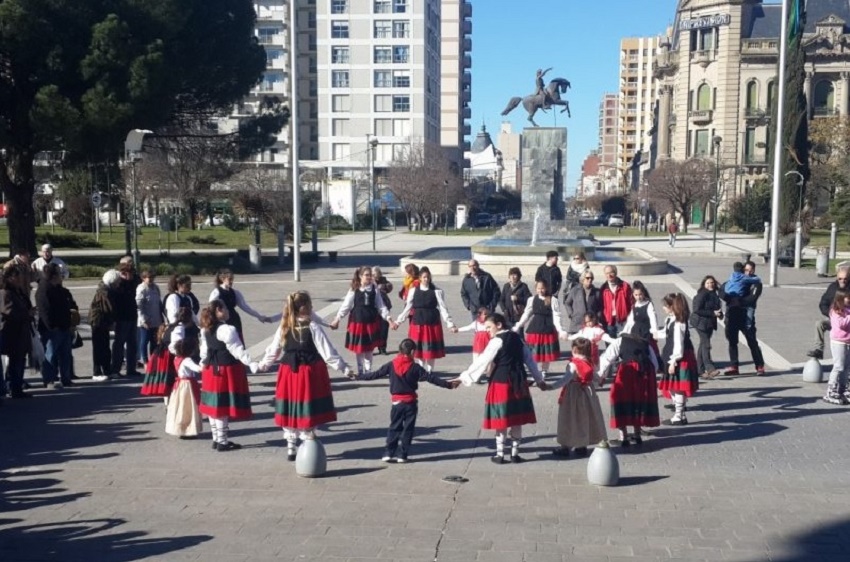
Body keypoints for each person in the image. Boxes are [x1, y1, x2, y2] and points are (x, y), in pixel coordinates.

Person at [259, 291, 351, 461]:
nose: (312, 307)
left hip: (288, 372)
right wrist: (344, 368)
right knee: (306, 407)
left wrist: (263, 365)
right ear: (303, 308)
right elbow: (327, 352)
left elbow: (273, 351)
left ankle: (291, 447)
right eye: (309, 304)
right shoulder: (312, 326)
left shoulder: (284, 326)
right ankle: (307, 442)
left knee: (290, 406)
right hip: (307, 373)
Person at [455, 313, 548, 463]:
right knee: (516, 419)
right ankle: (515, 454)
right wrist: (539, 379)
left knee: (502, 420)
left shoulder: (497, 340)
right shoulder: (517, 338)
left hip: (501, 382)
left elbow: (482, 360)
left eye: (489, 327)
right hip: (519, 381)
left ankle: (500, 454)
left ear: (499, 325)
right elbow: (529, 360)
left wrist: (463, 377)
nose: (487, 330)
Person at [350, 338, 460, 463]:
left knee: (394, 428)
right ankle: (402, 455)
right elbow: (431, 378)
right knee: (408, 429)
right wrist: (448, 385)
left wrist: (358, 376)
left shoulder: (391, 364)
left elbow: (374, 374)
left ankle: (388, 452)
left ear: (399, 350)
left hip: (397, 403)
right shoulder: (415, 367)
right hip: (410, 403)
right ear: (412, 351)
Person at [199, 300, 259, 452]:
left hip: (210, 370)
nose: (228, 310)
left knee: (214, 407)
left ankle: (216, 439)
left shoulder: (205, 329)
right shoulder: (227, 329)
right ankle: (222, 442)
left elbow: (204, 352)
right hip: (224, 371)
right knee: (221, 407)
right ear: (219, 310)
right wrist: (251, 363)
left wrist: (202, 364)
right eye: (225, 307)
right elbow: (237, 350)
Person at [330, 266, 397, 376]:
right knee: (360, 349)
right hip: (358, 321)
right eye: (367, 275)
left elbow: (381, 306)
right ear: (360, 276)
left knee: (369, 349)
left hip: (371, 321)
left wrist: (389, 320)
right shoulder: (354, 289)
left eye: (370, 275)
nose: (369, 277)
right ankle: (361, 371)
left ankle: (368, 371)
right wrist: (337, 319)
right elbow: (346, 306)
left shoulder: (374, 289)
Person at [546, 337, 607, 457]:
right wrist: (600, 380)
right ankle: (581, 445)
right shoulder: (589, 362)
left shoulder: (573, 364)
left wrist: (550, 386)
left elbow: (565, 380)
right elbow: (596, 377)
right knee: (583, 418)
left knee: (568, 419)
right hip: (587, 394)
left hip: (572, 394)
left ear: (574, 350)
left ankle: (565, 446)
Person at [598, 332, 660, 446]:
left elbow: (607, 358)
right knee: (638, 402)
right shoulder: (646, 343)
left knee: (619, 400)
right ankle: (637, 436)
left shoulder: (619, 341)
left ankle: (624, 438)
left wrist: (601, 376)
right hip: (644, 374)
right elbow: (655, 364)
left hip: (627, 372)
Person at [394, 266, 457, 373]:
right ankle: (421, 370)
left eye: (427, 277)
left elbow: (443, 308)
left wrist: (450, 324)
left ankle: (430, 371)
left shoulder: (437, 291)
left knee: (430, 350)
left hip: (432, 323)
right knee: (418, 349)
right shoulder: (413, 291)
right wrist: (398, 321)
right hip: (417, 323)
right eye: (424, 277)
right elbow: (408, 307)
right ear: (420, 278)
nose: (426, 279)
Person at [656, 293, 699, 425]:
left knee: (677, 387)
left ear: (671, 307)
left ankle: (679, 416)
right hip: (672, 355)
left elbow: (679, 344)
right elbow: (667, 333)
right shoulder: (671, 319)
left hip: (679, 357)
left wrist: (674, 361)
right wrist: (654, 333)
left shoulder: (679, 323)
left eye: (665, 306)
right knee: (673, 387)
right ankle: (680, 414)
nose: (663, 308)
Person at [512, 280, 568, 377]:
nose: (540, 290)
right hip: (535, 329)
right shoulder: (532, 299)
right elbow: (527, 314)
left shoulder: (553, 299)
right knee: (533, 354)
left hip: (548, 330)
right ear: (536, 289)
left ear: (546, 288)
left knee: (546, 354)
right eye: (538, 288)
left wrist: (560, 330)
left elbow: (556, 315)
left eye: (542, 288)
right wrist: (519, 325)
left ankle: (544, 371)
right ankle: (535, 370)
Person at [35, 263, 76, 389]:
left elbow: (67, 305)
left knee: (65, 355)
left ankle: (66, 378)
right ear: (53, 276)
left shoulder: (59, 289)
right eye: (59, 273)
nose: (61, 276)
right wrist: (52, 327)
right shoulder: (44, 290)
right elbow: (45, 311)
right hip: (52, 329)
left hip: (64, 326)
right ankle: (50, 379)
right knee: (50, 355)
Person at [720, 263, 766, 376]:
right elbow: (723, 290)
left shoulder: (755, 283)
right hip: (732, 315)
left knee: (752, 342)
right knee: (732, 342)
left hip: (745, 316)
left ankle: (759, 365)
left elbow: (752, 298)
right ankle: (734, 366)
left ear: (754, 270)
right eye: (746, 270)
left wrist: (736, 300)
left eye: (751, 270)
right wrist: (725, 295)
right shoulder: (735, 279)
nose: (748, 272)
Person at [208, 269, 273, 342]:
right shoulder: (216, 292)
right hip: (221, 320)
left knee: (238, 342)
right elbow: (211, 309)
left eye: (232, 279)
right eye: (230, 279)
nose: (232, 281)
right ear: (222, 279)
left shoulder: (235, 292)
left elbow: (245, 307)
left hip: (234, 320)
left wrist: (259, 316)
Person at [1, 266, 33, 399]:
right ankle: (13, 388)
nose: (20, 279)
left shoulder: (17, 292)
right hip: (12, 333)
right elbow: (10, 312)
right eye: (17, 276)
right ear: (10, 278)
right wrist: (27, 313)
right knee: (15, 362)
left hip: (21, 332)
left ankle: (17, 387)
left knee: (19, 361)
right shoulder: (5, 293)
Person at [808, 266, 850, 360]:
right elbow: (823, 303)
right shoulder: (832, 288)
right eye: (840, 278)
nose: (842, 281)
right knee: (819, 324)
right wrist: (831, 314)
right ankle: (819, 350)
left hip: (848, 320)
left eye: (845, 279)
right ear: (837, 278)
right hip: (834, 319)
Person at [165, 337, 203, 438]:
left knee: (180, 406)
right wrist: (204, 364)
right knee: (189, 407)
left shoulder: (177, 358)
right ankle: (189, 429)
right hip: (188, 385)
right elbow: (198, 369)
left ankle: (181, 428)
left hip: (179, 385)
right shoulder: (187, 360)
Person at [111, 262, 141, 377]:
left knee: (132, 344)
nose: (133, 275)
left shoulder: (132, 283)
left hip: (132, 316)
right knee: (119, 343)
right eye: (131, 273)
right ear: (124, 273)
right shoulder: (119, 285)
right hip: (122, 318)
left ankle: (131, 368)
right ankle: (115, 369)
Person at [90, 270, 120, 382]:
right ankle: (97, 372)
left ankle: (107, 370)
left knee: (105, 347)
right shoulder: (104, 292)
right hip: (98, 322)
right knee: (99, 347)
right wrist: (113, 321)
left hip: (104, 322)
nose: (119, 284)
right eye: (117, 282)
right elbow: (109, 308)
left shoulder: (108, 290)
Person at [691, 275, 723, 380]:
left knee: (703, 345)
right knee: (706, 344)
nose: (710, 284)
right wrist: (713, 313)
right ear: (704, 284)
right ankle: (710, 369)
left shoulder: (714, 294)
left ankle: (699, 370)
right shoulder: (702, 294)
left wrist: (719, 314)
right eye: (708, 283)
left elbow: (717, 308)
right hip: (700, 323)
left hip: (709, 323)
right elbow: (696, 309)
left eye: (712, 282)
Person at [824, 291, 850, 405]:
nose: (849, 300)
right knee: (838, 366)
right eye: (847, 298)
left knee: (846, 368)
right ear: (840, 299)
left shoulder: (848, 310)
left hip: (848, 341)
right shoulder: (835, 311)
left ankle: (843, 389)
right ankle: (831, 390)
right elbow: (842, 324)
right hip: (838, 342)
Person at [136, 268, 163, 367]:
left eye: (152, 277)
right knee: (144, 341)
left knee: (154, 341)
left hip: (156, 319)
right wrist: (144, 319)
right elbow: (139, 306)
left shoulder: (155, 288)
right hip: (146, 321)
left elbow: (159, 303)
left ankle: (153, 359)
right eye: (148, 277)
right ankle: (145, 361)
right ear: (143, 278)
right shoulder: (141, 289)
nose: (151, 279)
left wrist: (162, 317)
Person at [564, 270, 603, 335]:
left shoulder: (597, 292)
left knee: (588, 344)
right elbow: (567, 303)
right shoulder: (575, 290)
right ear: (582, 279)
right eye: (587, 278)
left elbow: (601, 306)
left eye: (591, 278)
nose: (590, 280)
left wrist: (597, 317)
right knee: (577, 344)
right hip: (577, 323)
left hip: (590, 324)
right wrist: (571, 314)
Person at [600, 265, 634, 337]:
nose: (609, 275)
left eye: (611, 272)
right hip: (609, 321)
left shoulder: (625, 286)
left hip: (623, 320)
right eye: (606, 273)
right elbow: (601, 305)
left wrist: (630, 317)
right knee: (610, 344)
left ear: (615, 273)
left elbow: (631, 302)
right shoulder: (603, 288)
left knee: (622, 342)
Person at [372, 266, 394, 355]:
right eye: (374, 275)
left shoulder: (384, 282)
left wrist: (383, 286)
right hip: (373, 308)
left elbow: (390, 288)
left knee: (384, 329)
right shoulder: (369, 283)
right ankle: (372, 347)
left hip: (384, 306)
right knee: (373, 329)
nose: (375, 278)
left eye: (377, 276)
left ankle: (382, 348)